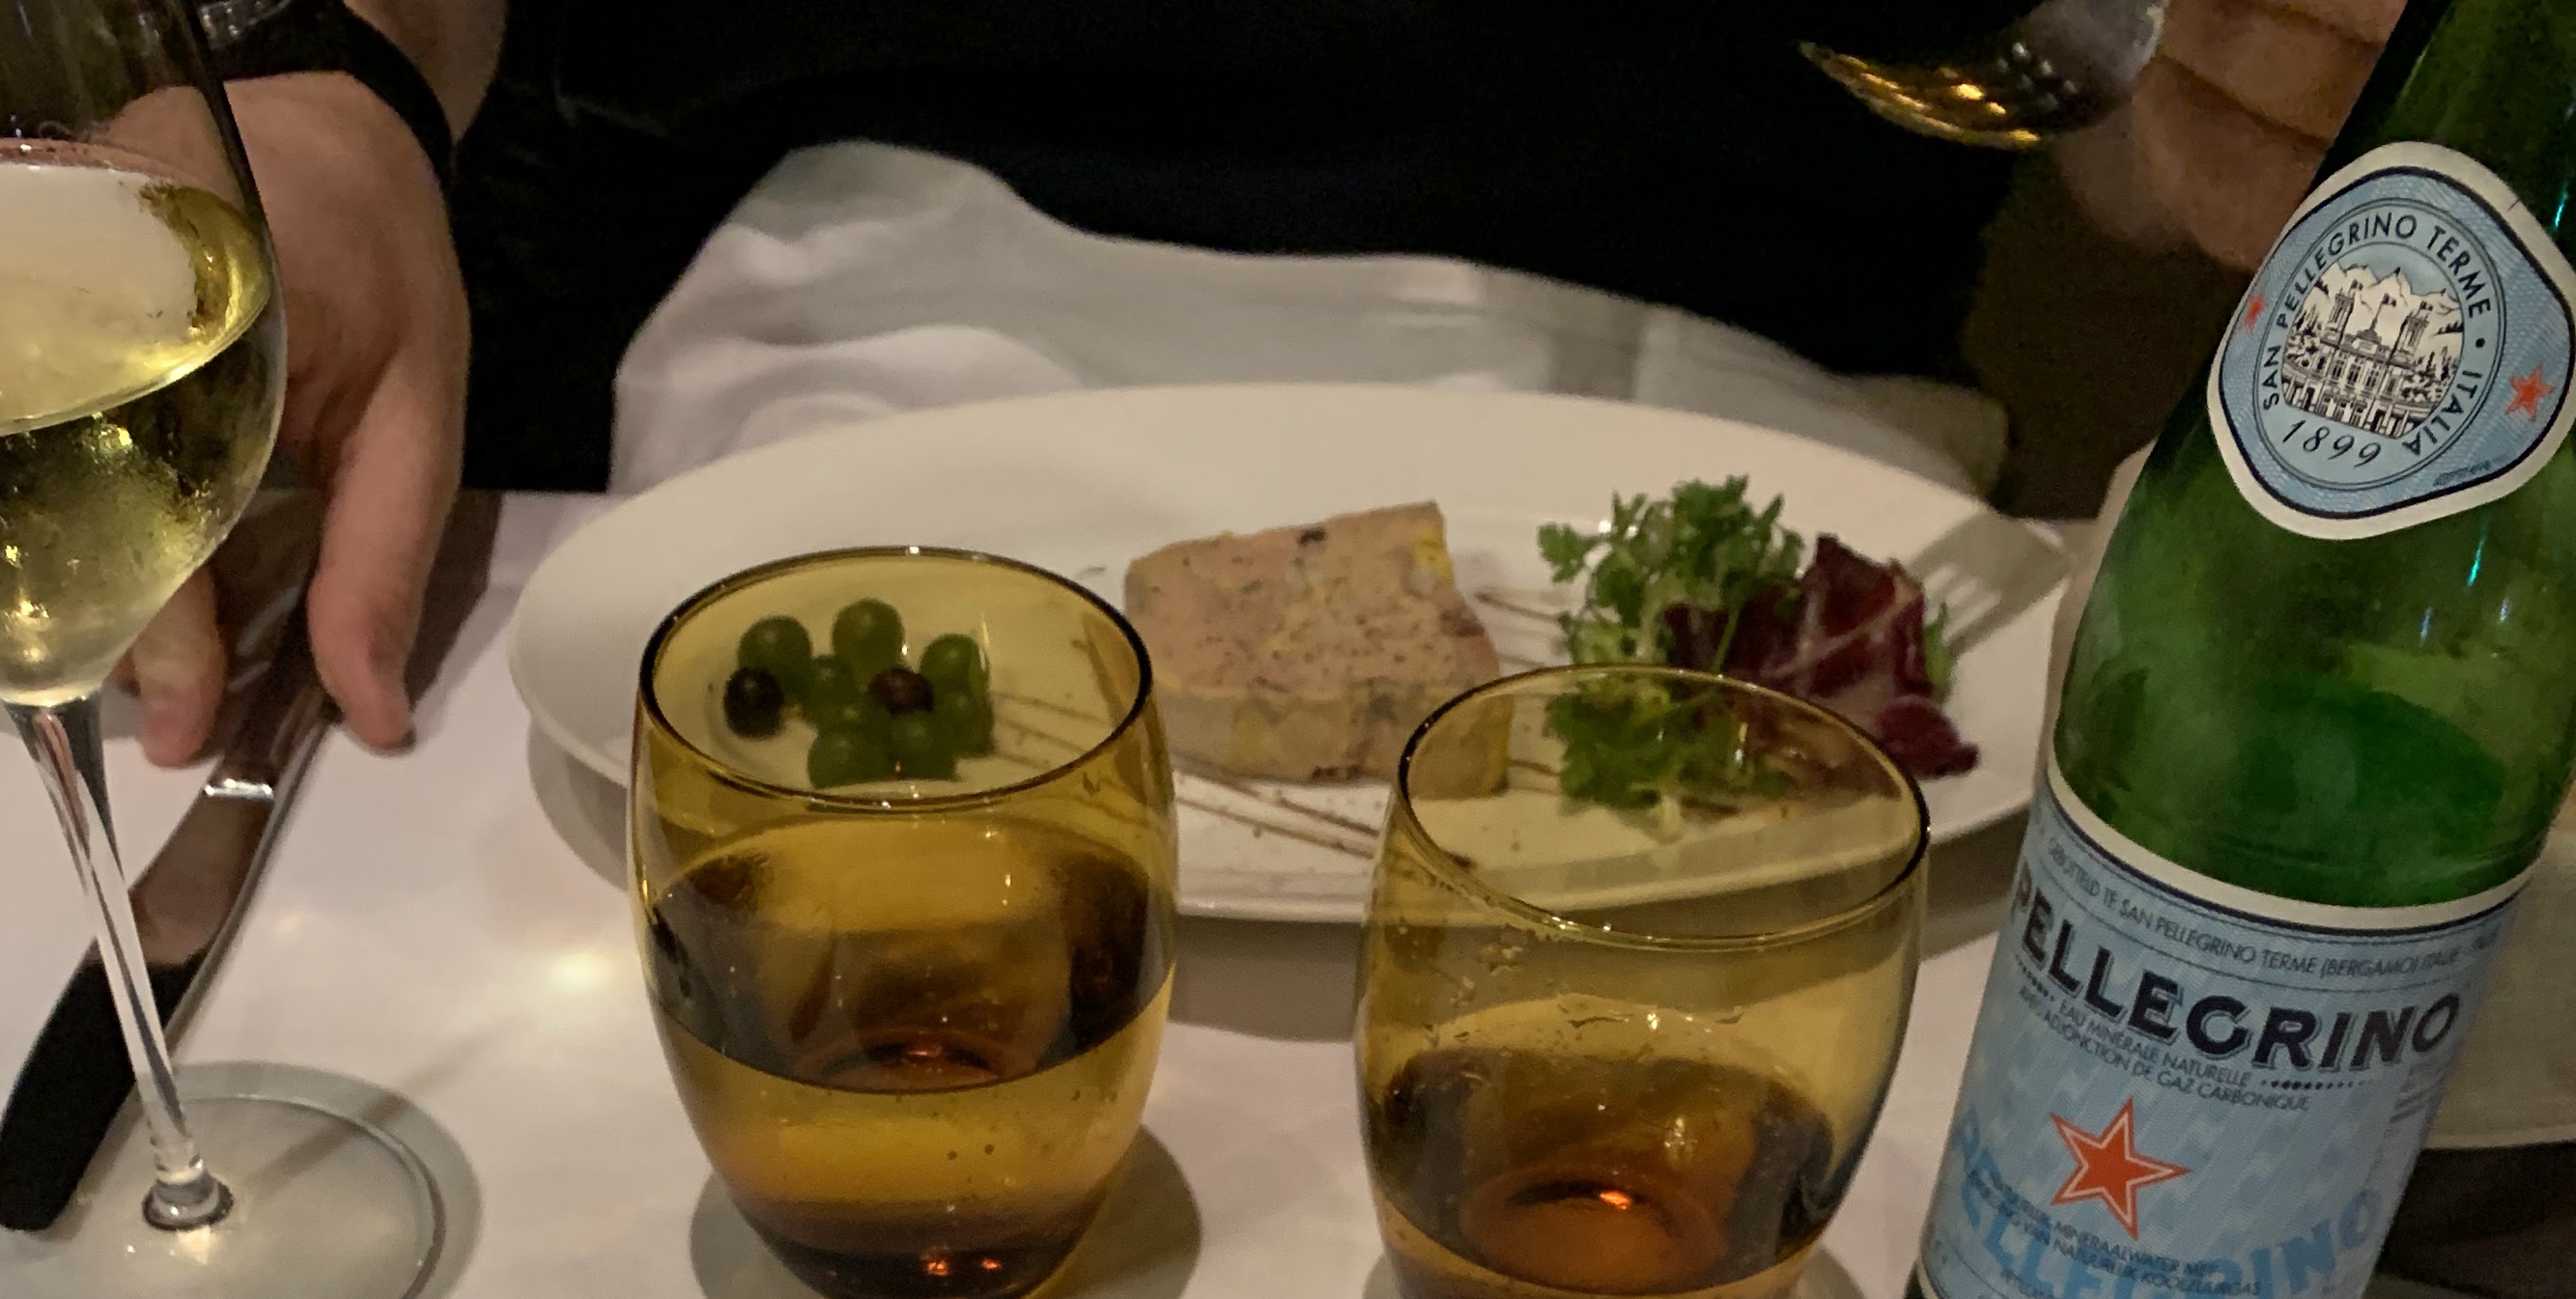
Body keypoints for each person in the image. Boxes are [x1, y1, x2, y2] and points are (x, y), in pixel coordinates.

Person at [141, 0, 2408, 768]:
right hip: (797, 347)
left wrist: (2227, 90)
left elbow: (2106, 87)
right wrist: (340, 85)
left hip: (1765, 399)